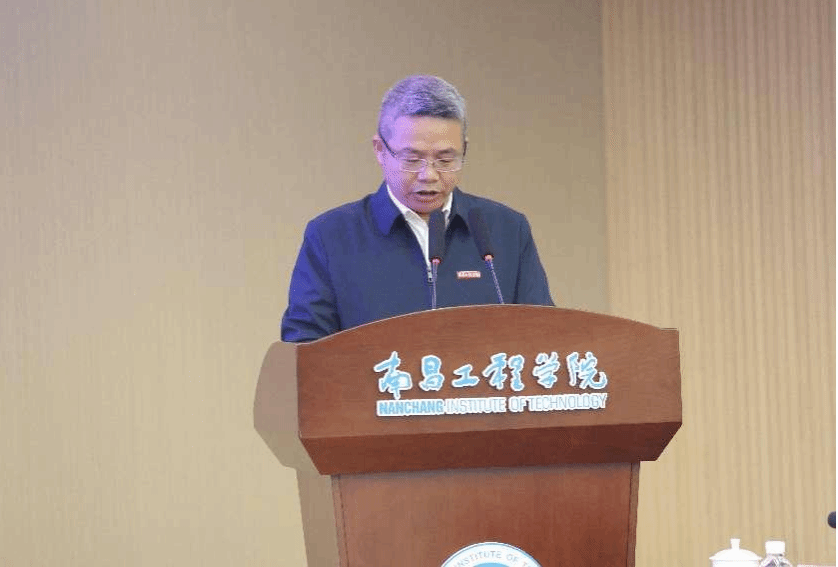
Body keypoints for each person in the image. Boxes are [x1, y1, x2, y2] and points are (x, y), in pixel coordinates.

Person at [281, 75, 553, 342]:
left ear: (464, 150)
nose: (429, 175)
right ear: (380, 150)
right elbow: (303, 347)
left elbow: (546, 337)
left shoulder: (506, 230)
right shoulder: (332, 236)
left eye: (445, 160)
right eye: (412, 160)